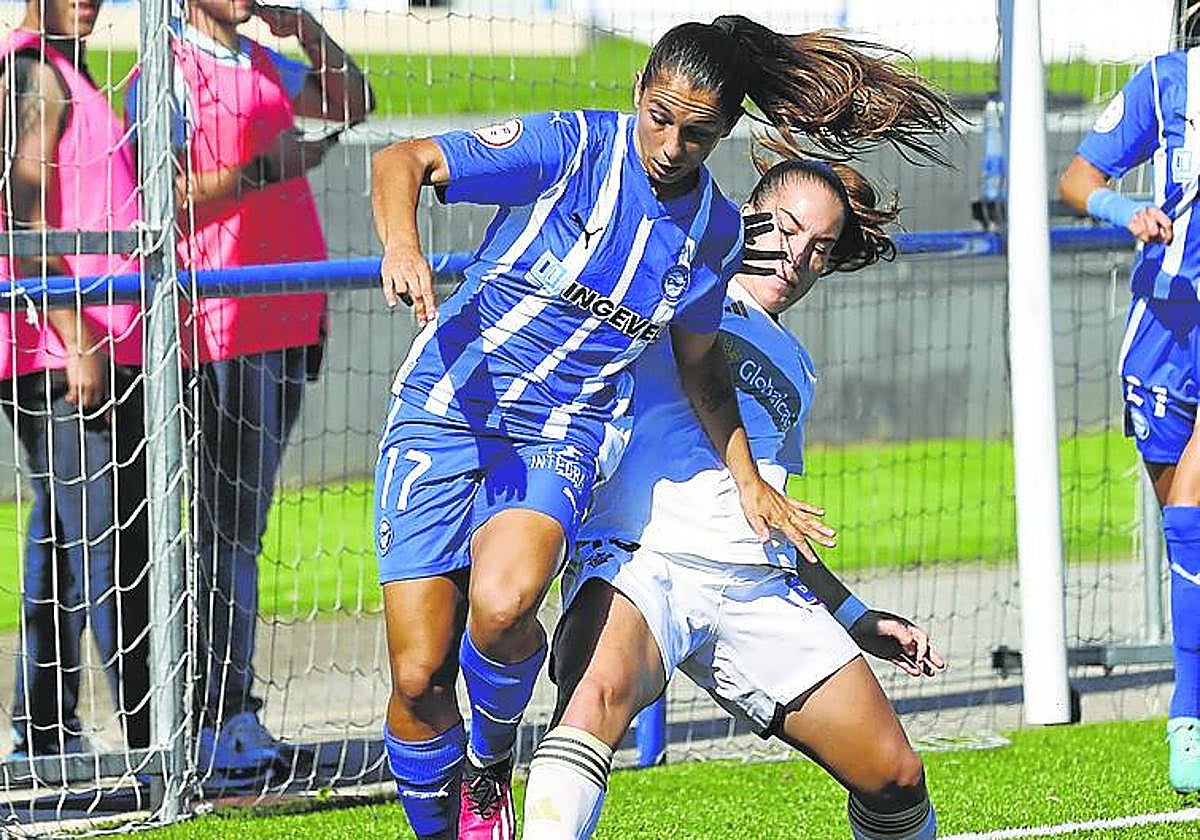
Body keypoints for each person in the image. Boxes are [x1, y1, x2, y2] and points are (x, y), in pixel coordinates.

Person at [371, 15, 953, 839]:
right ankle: (466, 800)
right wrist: (403, 245)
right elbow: (406, 159)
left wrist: (838, 593)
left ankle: (490, 764)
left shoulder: (735, 282)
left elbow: (711, 388)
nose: (673, 144)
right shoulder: (574, 150)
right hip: (476, 430)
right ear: (640, 90)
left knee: (505, 606)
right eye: (661, 117)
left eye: (699, 132)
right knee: (420, 671)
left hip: (609, 473)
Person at [521, 149, 944, 840]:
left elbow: (772, 514)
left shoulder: (798, 369)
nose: (795, 257)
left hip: (753, 585)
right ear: (747, 215)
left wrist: (855, 613)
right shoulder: (679, 283)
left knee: (895, 777)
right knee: (594, 700)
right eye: (784, 228)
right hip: (642, 558)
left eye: (818, 249)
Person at [127, 0, 373, 781]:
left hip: (289, 314)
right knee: (219, 529)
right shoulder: (163, 70)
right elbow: (159, 196)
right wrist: (264, 169)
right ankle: (210, 718)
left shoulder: (263, 61)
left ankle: (233, 713)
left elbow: (355, 101)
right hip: (220, 322)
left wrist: (306, 30)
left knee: (243, 527)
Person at [0, 0, 149, 757]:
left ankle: (45, 728)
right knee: (110, 547)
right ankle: (161, 738)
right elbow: (16, 219)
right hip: (64, 354)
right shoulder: (35, 77)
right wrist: (74, 331)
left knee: (61, 544)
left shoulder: (69, 73)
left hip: (97, 345)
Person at [1058, 6, 1200, 794]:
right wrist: (1123, 211)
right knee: (1187, 534)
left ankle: (1188, 711)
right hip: (1161, 336)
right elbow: (1077, 180)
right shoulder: (1167, 83)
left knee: (1196, 516)